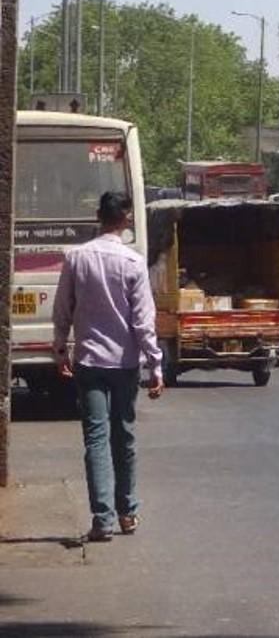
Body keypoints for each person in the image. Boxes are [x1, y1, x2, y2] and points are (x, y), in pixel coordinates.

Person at [51, 191, 165, 543]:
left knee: (96, 439)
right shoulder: (133, 263)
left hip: (88, 361)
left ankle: (102, 520)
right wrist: (156, 366)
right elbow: (143, 321)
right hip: (125, 363)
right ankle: (127, 512)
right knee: (124, 436)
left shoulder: (76, 258)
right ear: (126, 219)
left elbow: (62, 309)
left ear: (99, 217)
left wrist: (60, 350)